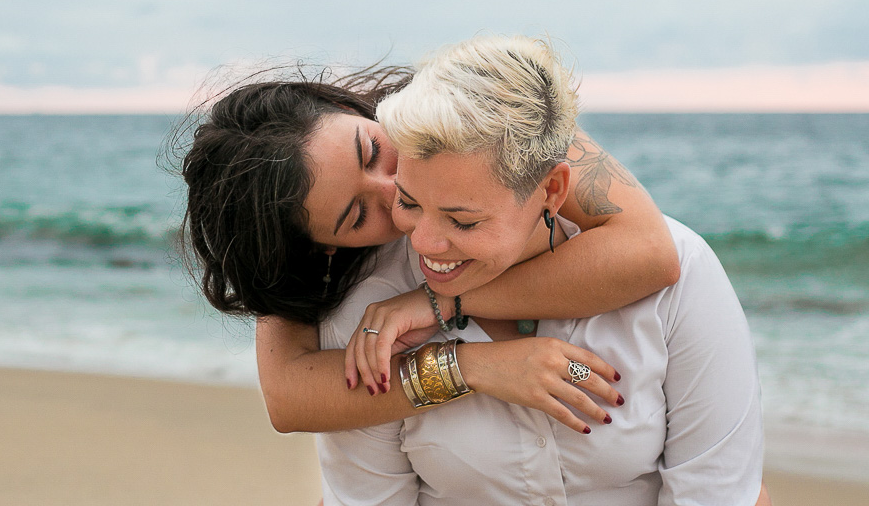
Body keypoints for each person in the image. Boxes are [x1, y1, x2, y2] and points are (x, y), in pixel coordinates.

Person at [316, 34, 765, 504]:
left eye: (462, 219)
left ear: (552, 191)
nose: (423, 242)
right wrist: (457, 367)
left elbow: (717, 493)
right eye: (408, 202)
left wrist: (443, 302)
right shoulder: (372, 308)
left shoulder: (680, 275)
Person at [174, 62, 679, 434]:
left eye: (372, 150)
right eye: (358, 216)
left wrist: (442, 302)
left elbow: (651, 252)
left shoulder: (473, 114)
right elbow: (289, 398)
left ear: (351, 108)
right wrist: (470, 367)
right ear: (321, 249)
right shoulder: (308, 247)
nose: (393, 190)